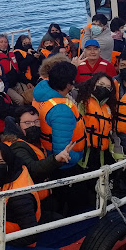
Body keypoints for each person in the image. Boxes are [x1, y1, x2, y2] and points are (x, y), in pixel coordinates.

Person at [33, 61, 88, 214]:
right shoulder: (61, 110)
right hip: (64, 167)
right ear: (69, 85)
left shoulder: (41, 93)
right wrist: (78, 156)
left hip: (45, 154)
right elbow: (62, 152)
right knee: (75, 201)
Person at [0, 142, 40, 247]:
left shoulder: (19, 195)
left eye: (1, 162)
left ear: (9, 163)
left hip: (14, 248)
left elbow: (31, 235)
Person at [0, 106, 73, 191]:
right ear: (18, 125)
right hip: (32, 195)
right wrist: (55, 159)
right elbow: (31, 169)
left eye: (36, 121)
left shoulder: (35, 140)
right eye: (27, 123)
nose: (33, 125)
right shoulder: (16, 146)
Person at [74, 73, 117, 170]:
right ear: (93, 84)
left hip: (102, 155)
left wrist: (116, 155)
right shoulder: (82, 101)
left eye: (107, 87)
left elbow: (111, 134)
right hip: (83, 154)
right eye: (101, 84)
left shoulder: (108, 107)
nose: (103, 88)